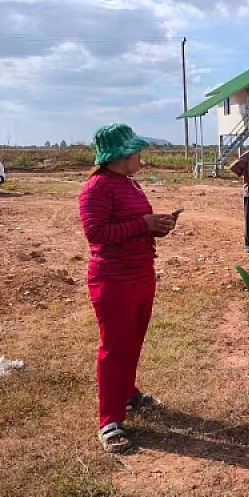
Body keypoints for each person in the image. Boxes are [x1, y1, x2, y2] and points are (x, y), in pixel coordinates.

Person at [78, 123, 177, 453]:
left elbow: (134, 226)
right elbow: (96, 233)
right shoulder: (96, 188)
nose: (140, 155)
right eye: (136, 151)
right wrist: (143, 224)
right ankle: (109, 420)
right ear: (120, 155)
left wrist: (157, 227)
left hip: (141, 273)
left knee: (133, 341)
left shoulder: (130, 184)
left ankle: (127, 392)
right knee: (114, 347)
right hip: (113, 279)